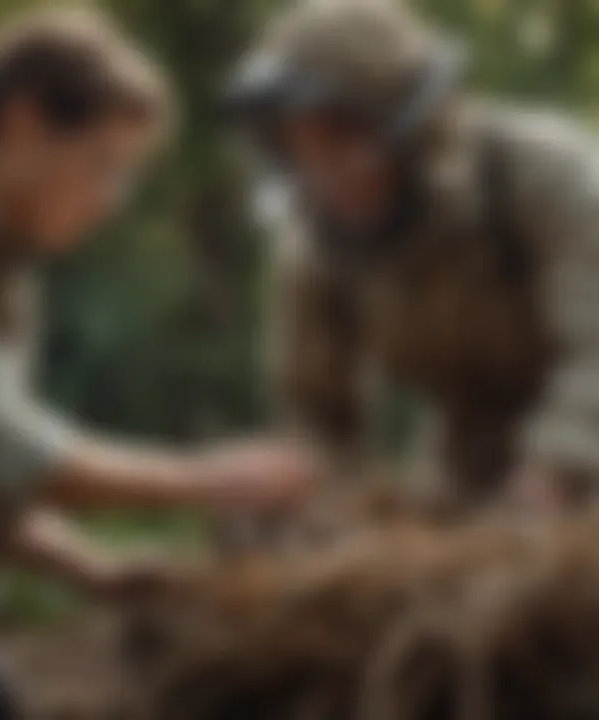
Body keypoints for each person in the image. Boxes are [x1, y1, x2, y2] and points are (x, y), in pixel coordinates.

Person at [0, 8, 317, 717]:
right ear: (22, 124)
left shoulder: (1, 272)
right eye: (104, 166)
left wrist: (96, 571)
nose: (112, 203)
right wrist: (209, 478)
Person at [224, 0, 599, 511]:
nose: (324, 170)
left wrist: (555, 472)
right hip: (475, 465)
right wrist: (328, 505)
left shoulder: (546, 178)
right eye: (300, 146)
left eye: (342, 136)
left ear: (412, 128)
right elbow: (316, 412)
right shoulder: (316, 249)